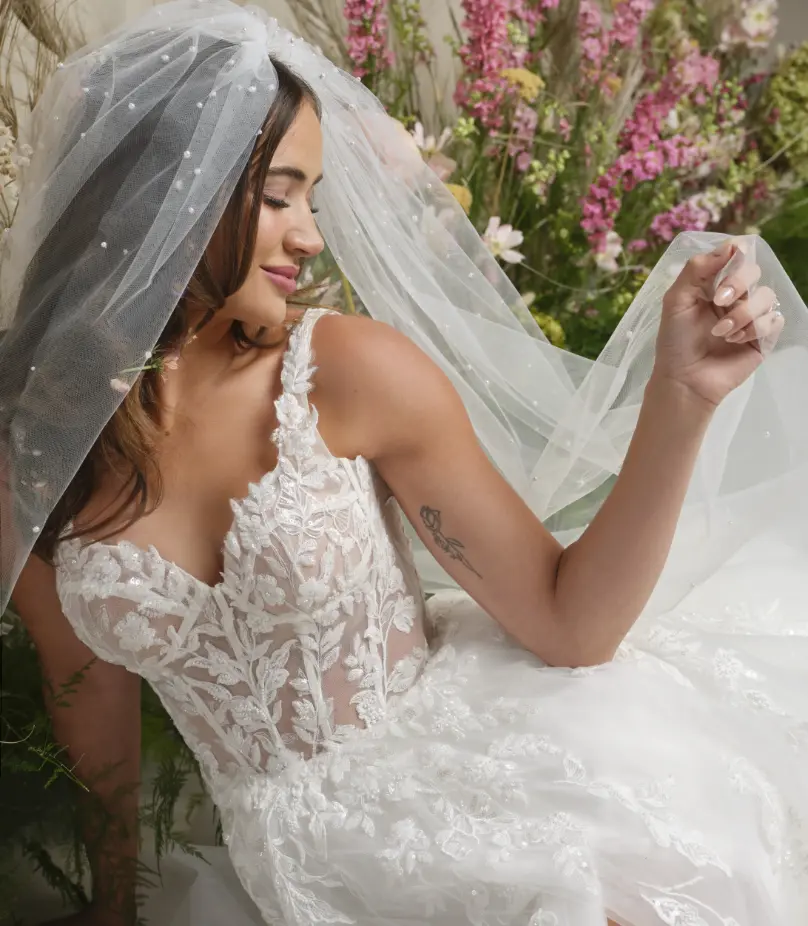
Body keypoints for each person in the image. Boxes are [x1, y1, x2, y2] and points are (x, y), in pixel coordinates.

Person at [2, 2, 807, 925]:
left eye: (311, 197)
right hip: (294, 871)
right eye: (276, 196)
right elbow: (86, 697)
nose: (309, 235)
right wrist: (114, 903)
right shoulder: (36, 445)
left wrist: (684, 396)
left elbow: (568, 624)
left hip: (485, 788)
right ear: (155, 195)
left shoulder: (345, 372)